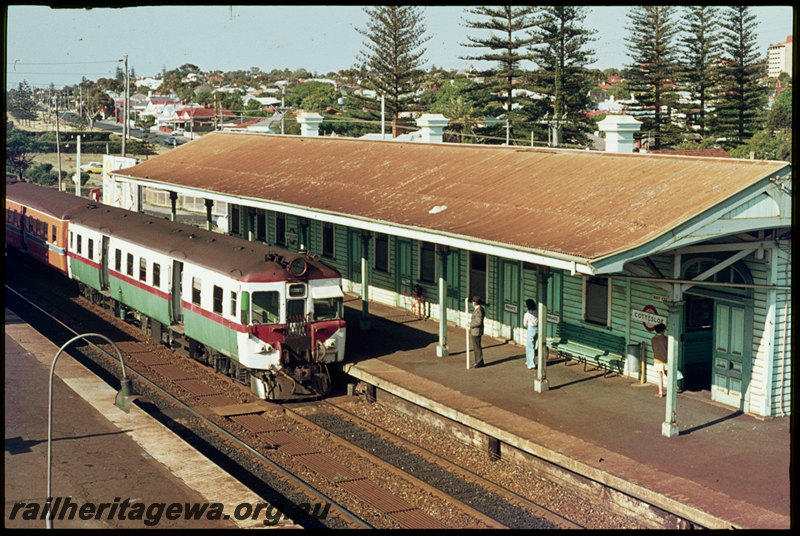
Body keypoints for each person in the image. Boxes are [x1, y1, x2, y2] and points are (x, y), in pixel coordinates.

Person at [651, 323, 668, 397]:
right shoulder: (666, 339)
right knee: (668, 374)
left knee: (659, 375)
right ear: (662, 331)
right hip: (666, 359)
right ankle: (672, 389)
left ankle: (660, 392)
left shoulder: (653, 339)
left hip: (657, 359)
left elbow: (653, 349)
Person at [469, 296, 485, 368]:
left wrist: (471, 324)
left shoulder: (478, 311)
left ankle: (479, 361)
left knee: (477, 347)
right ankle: (478, 361)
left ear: (474, 303)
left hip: (476, 331)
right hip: (475, 331)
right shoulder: (479, 309)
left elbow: (478, 322)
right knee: (476, 346)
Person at [523, 299, 538, 369]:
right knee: (533, 345)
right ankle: (528, 361)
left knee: (529, 347)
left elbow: (525, 324)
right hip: (537, 330)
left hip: (531, 329)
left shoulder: (527, 314)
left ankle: (531, 364)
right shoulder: (537, 312)